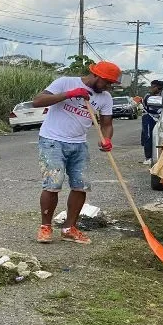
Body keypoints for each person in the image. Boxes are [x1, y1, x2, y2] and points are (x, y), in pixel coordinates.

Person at [32, 61, 119, 245]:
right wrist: (69, 95)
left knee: (81, 186)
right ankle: (45, 227)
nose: (109, 86)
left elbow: (107, 124)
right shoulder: (65, 82)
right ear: (96, 76)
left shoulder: (105, 98)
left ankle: (69, 228)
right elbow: (37, 101)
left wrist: (107, 139)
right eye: (107, 82)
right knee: (52, 184)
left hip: (79, 144)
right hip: (52, 140)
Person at [141, 80, 163, 166]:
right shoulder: (148, 96)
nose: (159, 91)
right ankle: (148, 158)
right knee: (148, 136)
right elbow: (154, 107)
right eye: (158, 88)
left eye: (160, 89)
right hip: (149, 117)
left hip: (161, 118)